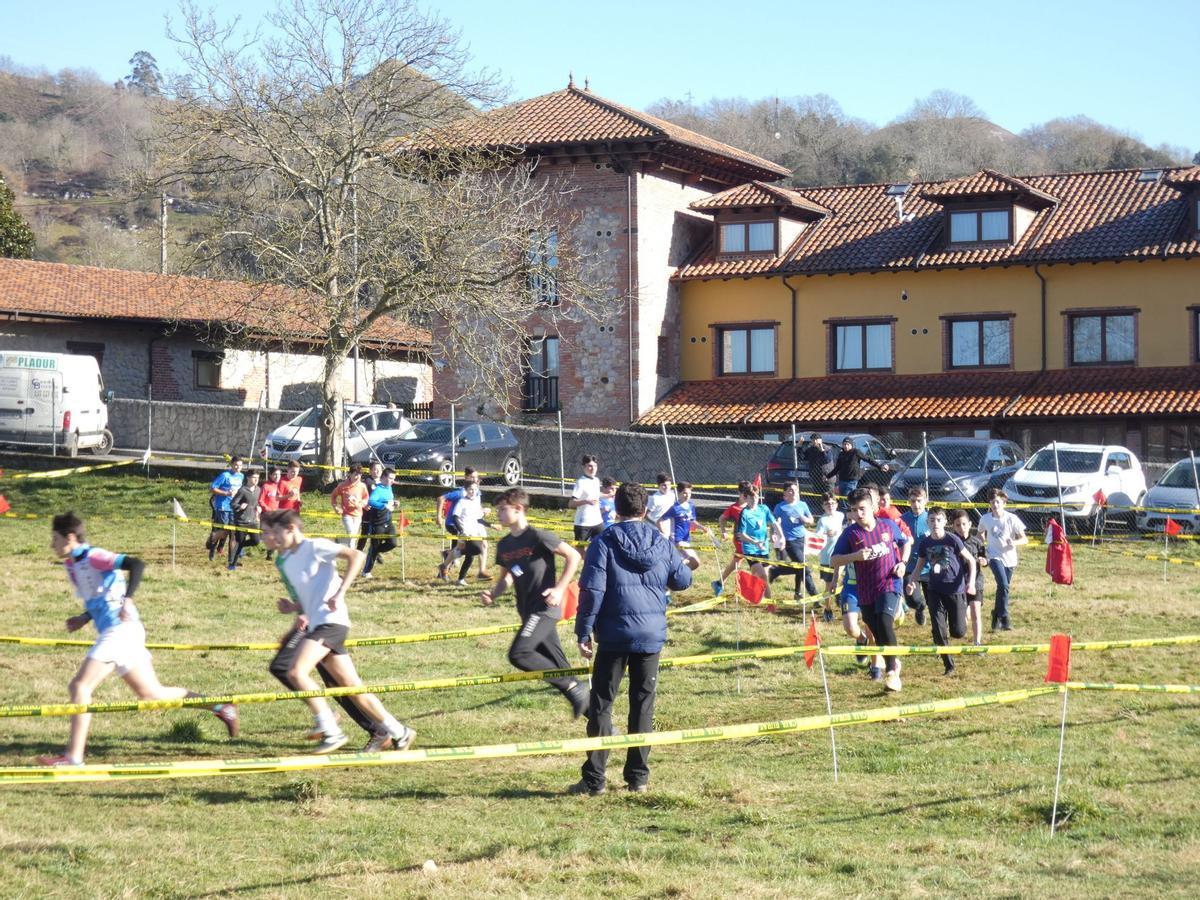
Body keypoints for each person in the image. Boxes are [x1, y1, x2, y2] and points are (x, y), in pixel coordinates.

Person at [37, 512, 239, 766]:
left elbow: (136, 565)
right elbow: (104, 596)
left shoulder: (94, 556)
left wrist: (129, 599)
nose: (51, 544)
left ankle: (74, 758)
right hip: (123, 633)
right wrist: (85, 617)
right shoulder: (72, 565)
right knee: (151, 694)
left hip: (120, 631)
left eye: (54, 538)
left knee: (80, 687)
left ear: (69, 537)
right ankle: (220, 706)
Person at [571, 482, 693, 795]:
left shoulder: (603, 542)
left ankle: (595, 779)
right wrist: (684, 561)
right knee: (643, 706)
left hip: (613, 636)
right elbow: (682, 580)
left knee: (601, 705)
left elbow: (592, 591)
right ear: (644, 509)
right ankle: (637, 778)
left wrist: (583, 631)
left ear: (617, 509)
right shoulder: (661, 541)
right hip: (650, 636)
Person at [264, 508, 416, 754]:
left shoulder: (314, 547)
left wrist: (341, 592)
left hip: (332, 622)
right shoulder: (288, 560)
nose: (272, 538)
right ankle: (400, 731)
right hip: (318, 624)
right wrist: (293, 607)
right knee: (353, 689)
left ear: (291, 528)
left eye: (275, 533)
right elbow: (310, 596)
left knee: (296, 671)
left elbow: (356, 555)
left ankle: (331, 729)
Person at [482, 488, 589, 718]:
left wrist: (560, 589)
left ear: (519, 509)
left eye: (503, 509)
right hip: (527, 613)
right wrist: (494, 594)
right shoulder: (505, 545)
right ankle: (603, 724)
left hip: (545, 610)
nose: (498, 513)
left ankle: (572, 686)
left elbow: (574, 556)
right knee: (561, 670)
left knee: (519, 654)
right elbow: (508, 576)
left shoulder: (540, 536)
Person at [830, 487, 911, 692]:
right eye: (854, 509)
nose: (859, 513)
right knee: (875, 628)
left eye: (862, 508)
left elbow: (905, 542)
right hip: (865, 590)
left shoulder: (888, 525)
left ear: (872, 507)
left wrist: (903, 563)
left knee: (884, 621)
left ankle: (892, 671)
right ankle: (892, 661)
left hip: (890, 582)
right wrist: (855, 556)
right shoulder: (850, 534)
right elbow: (834, 560)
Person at [907, 506, 976, 675]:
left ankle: (960, 617)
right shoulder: (925, 542)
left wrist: (971, 583)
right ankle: (949, 665)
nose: (935, 523)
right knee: (939, 630)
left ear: (945, 522)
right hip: (935, 589)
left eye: (939, 520)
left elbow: (971, 561)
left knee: (958, 632)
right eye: (932, 520)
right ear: (927, 522)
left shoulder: (952, 539)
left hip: (955, 588)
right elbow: (920, 565)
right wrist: (912, 581)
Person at [977, 488, 1027, 631]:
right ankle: (1004, 616)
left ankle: (996, 615)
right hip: (994, 556)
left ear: (1004, 503)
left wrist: (1014, 542)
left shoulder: (1012, 519)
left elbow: (1024, 539)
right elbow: (980, 533)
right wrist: (981, 548)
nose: (995, 505)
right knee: (1003, 585)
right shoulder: (985, 519)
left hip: (1010, 558)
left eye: (998, 502)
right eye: (992, 502)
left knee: (1003, 588)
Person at [769, 482, 819, 598]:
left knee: (798, 566)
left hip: (801, 538)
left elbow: (811, 519)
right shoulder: (780, 507)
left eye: (796, 490)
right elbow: (773, 522)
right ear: (785, 493)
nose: (794, 492)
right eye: (791, 490)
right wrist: (772, 533)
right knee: (804, 568)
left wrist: (806, 520)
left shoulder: (802, 505)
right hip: (789, 540)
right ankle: (815, 596)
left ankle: (779, 574)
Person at [735, 481, 782, 600]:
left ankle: (750, 587)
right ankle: (770, 603)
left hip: (763, 549)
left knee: (764, 576)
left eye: (756, 496)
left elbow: (774, 523)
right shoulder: (744, 513)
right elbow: (742, 535)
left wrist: (781, 536)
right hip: (751, 549)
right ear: (746, 498)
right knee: (762, 575)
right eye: (751, 497)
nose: (754, 499)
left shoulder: (764, 508)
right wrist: (755, 542)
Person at [950, 508, 988, 645]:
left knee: (975, 611)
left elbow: (984, 558)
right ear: (953, 526)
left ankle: (977, 642)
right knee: (963, 616)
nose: (961, 528)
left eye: (964, 524)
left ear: (970, 524)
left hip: (975, 581)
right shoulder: (951, 542)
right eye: (958, 525)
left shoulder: (976, 542)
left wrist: (984, 561)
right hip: (957, 582)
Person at [658, 481, 710, 571]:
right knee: (695, 561)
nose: (687, 495)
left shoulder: (691, 506)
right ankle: (678, 575)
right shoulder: (674, 508)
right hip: (677, 540)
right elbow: (660, 520)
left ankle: (674, 575)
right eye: (685, 493)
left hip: (686, 539)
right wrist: (664, 533)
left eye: (690, 493)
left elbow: (692, 521)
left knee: (686, 562)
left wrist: (703, 528)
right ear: (679, 493)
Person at [452, 479, 491, 586]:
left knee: (471, 556)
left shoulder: (476, 502)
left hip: (473, 533)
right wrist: (461, 530)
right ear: (466, 490)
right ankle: (456, 554)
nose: (472, 492)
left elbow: (478, 519)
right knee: (476, 550)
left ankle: (460, 578)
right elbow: (455, 517)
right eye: (470, 490)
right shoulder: (462, 502)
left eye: (474, 489)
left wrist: (490, 525)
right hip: (465, 533)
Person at [900, 486, 930, 626]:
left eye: (919, 501)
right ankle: (920, 607)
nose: (916, 504)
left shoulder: (932, 519)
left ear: (926, 501)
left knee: (934, 600)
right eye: (913, 501)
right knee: (912, 599)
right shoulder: (902, 520)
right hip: (910, 567)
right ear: (908, 502)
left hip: (929, 567)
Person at [361, 468, 398, 579]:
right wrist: (383, 506)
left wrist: (394, 503)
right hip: (377, 523)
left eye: (394, 479)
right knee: (375, 546)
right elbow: (371, 501)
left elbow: (389, 500)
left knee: (393, 543)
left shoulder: (389, 488)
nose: (392, 481)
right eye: (390, 478)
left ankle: (374, 551)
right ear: (383, 477)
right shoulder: (378, 489)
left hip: (388, 521)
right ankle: (366, 571)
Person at [712, 486, 749, 595]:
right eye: (744, 494)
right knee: (753, 563)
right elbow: (721, 518)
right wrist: (724, 531)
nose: (747, 497)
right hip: (739, 539)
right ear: (739, 493)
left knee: (736, 564)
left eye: (748, 494)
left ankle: (719, 583)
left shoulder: (751, 506)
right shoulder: (734, 508)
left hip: (751, 539)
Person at [206, 456, 244, 561]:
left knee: (232, 532)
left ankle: (231, 558)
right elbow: (213, 488)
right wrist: (226, 493)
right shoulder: (225, 475)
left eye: (240, 465)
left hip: (234, 508)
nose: (238, 467)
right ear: (231, 465)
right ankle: (212, 546)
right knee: (223, 531)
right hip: (223, 507)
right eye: (236, 465)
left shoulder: (241, 476)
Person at [815, 492, 845, 621]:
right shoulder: (822, 520)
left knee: (841, 579)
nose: (830, 506)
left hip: (841, 555)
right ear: (823, 506)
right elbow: (817, 537)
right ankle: (827, 609)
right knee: (829, 585)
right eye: (827, 504)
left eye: (833, 503)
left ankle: (839, 597)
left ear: (837, 504)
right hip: (827, 558)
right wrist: (826, 534)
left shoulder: (840, 515)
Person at [228, 468, 262, 570]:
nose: (256, 480)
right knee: (239, 542)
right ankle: (232, 564)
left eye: (258, 478)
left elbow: (255, 502)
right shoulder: (242, 490)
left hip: (253, 521)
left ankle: (241, 545)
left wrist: (258, 507)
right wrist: (239, 506)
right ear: (248, 478)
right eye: (254, 478)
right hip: (241, 521)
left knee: (256, 541)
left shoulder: (258, 489)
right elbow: (232, 504)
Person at [330, 464, 369, 548]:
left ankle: (339, 540)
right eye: (356, 474)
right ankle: (352, 554)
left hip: (358, 514)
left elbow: (366, 498)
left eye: (360, 474)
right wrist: (335, 507)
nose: (358, 477)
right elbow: (333, 496)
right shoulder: (343, 486)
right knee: (351, 533)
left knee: (353, 537)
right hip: (346, 514)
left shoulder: (362, 486)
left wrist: (362, 504)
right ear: (350, 474)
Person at [569, 455, 604, 543]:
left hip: (597, 522)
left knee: (602, 546)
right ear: (583, 467)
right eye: (590, 466)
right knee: (580, 550)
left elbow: (595, 495)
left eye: (595, 466)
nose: (593, 469)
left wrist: (609, 495)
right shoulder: (580, 482)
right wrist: (586, 501)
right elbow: (571, 503)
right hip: (583, 523)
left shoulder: (596, 480)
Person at [259, 467, 282, 560]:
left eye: (279, 474)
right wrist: (267, 509)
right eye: (275, 474)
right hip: (266, 514)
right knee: (266, 534)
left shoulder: (279, 486)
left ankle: (270, 554)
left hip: (277, 514)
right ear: (270, 475)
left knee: (276, 534)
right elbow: (260, 500)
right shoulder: (266, 486)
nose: (277, 477)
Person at [803, 434, 834, 500]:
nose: (814, 441)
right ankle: (819, 508)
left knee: (828, 496)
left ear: (821, 440)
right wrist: (799, 446)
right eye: (813, 440)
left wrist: (822, 451)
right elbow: (804, 457)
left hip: (827, 477)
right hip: (816, 476)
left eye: (816, 439)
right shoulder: (811, 449)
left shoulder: (827, 448)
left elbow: (827, 460)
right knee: (817, 496)